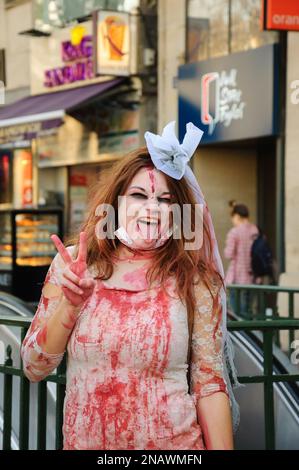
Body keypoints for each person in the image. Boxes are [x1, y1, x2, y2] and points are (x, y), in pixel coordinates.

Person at [21, 122, 236, 450]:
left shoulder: (194, 278)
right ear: (116, 201)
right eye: (138, 195)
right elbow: (34, 367)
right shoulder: (76, 265)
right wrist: (69, 305)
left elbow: (210, 386)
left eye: (164, 200)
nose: (151, 208)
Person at [224, 202, 259, 315]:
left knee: (236, 313)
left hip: (237, 278)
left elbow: (228, 254)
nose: (232, 221)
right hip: (253, 277)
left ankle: (241, 333)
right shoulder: (255, 231)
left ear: (237, 216)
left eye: (233, 218)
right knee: (248, 311)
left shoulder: (234, 232)